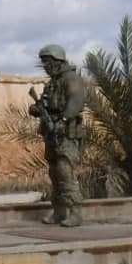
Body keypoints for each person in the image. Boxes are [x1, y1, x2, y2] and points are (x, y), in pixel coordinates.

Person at [29, 43, 86, 227]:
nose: (45, 66)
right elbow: (48, 104)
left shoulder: (71, 79)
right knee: (55, 173)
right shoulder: (52, 83)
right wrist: (37, 109)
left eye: (47, 62)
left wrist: (62, 118)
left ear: (57, 60)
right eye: (43, 63)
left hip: (66, 133)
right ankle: (59, 211)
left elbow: (76, 102)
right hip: (52, 133)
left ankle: (75, 211)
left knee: (65, 171)